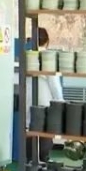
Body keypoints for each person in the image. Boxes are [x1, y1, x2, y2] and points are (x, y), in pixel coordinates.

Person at [28, 27, 63, 162]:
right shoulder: (48, 58)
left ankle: (30, 165)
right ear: (47, 41)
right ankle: (42, 163)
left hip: (27, 103)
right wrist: (61, 104)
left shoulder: (27, 56)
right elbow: (55, 86)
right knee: (44, 139)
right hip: (43, 105)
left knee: (30, 135)